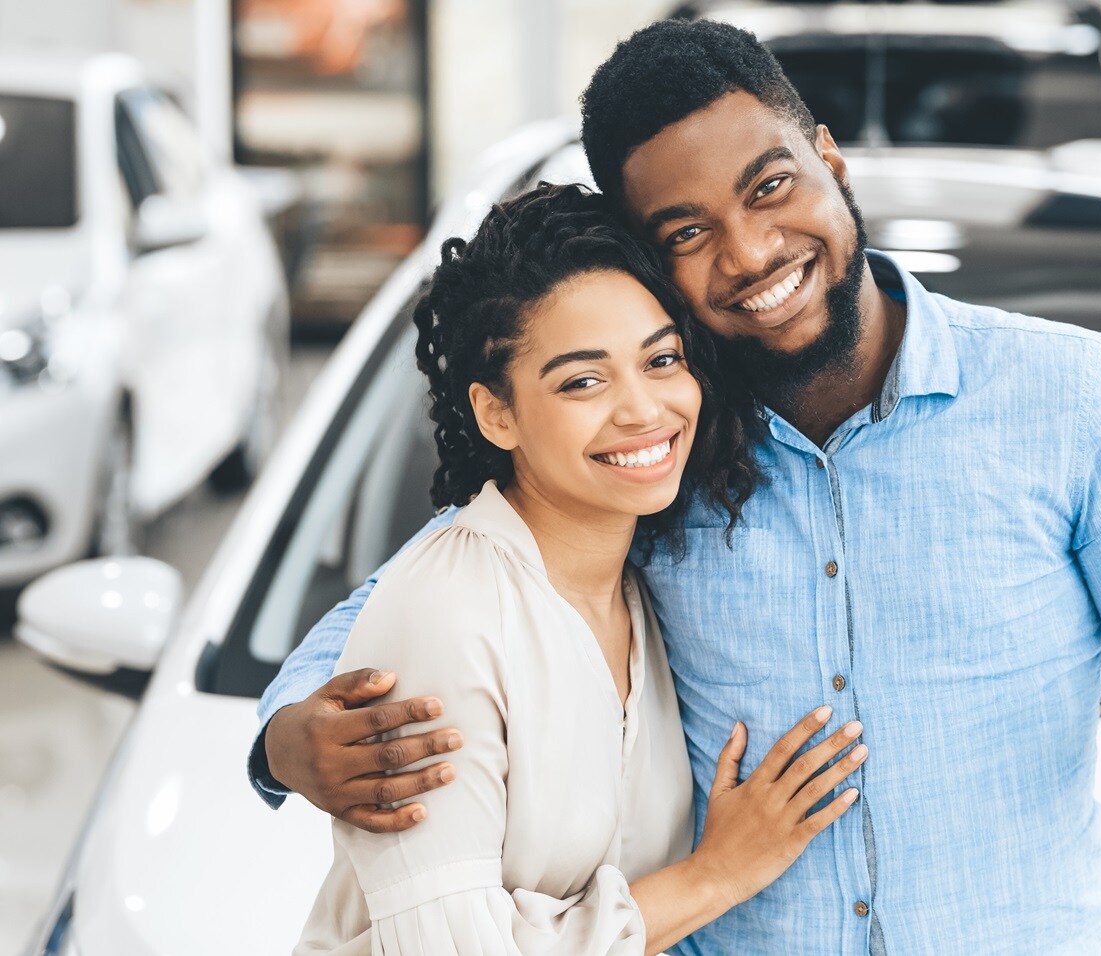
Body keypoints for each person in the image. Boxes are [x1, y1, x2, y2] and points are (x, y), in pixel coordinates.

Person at [255, 20, 1101, 954]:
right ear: (652, 262)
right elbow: (425, 596)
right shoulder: (648, 447)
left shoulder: (1078, 395)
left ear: (829, 161)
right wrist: (287, 734)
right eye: (686, 232)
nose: (750, 250)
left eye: (769, 187)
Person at [293, 183, 866, 955]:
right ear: (498, 413)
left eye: (662, 359)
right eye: (583, 381)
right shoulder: (449, 614)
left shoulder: (642, 590)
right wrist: (717, 874)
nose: (643, 409)